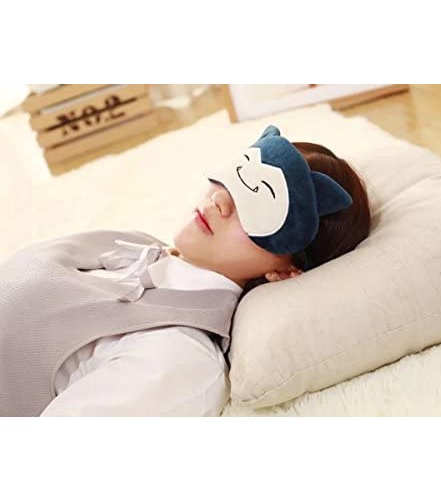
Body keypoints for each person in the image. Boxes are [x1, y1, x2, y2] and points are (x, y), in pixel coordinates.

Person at [0, 126, 371, 417]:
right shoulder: (132, 246)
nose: (221, 199)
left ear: (287, 271)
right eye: (237, 175)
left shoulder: (178, 358)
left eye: (259, 203)